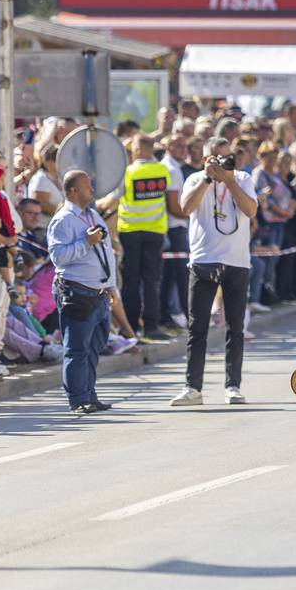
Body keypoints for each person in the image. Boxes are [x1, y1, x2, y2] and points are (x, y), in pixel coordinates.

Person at [168, 139, 258, 407]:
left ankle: (233, 386)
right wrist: (207, 179)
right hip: (203, 260)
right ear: (205, 159)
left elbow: (251, 210)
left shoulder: (242, 178)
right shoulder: (195, 179)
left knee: (235, 327)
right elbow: (185, 209)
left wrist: (229, 181)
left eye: (224, 158)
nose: (220, 164)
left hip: (236, 261)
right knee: (197, 328)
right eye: (214, 159)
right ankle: (193, 387)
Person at [47, 169, 114, 415]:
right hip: (77, 293)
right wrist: (85, 243)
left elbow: (106, 253)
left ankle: (90, 394)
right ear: (73, 190)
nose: (92, 190)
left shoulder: (93, 215)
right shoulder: (64, 219)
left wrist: (111, 285)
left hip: (99, 293)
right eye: (87, 186)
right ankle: (78, 399)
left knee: (94, 347)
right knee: (76, 349)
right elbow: (58, 257)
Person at [99, 134, 173, 343]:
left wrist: (95, 204)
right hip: (155, 231)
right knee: (151, 279)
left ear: (138, 150)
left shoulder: (129, 172)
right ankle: (151, 325)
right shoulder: (162, 171)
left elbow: (110, 201)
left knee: (131, 280)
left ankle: (130, 325)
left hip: (130, 231)